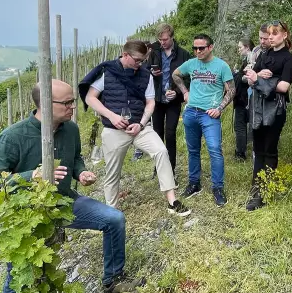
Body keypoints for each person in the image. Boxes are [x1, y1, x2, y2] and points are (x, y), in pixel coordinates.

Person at [0, 80, 146, 293]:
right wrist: (32, 176)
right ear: (45, 105)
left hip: (65, 202)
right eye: (66, 103)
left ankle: (113, 280)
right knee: (20, 275)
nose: (72, 107)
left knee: (114, 219)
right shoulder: (13, 137)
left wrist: (81, 173)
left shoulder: (71, 129)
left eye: (73, 102)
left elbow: (75, 159)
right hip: (27, 214)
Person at [79, 40, 190, 216]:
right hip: (114, 129)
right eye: (137, 60)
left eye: (142, 60)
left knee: (161, 151)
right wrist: (112, 117)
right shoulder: (107, 72)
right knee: (113, 170)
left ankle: (172, 201)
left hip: (140, 127)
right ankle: (112, 209)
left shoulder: (146, 75)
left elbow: (150, 102)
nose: (140, 64)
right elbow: (90, 98)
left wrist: (141, 123)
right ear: (125, 55)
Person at [173, 34, 235, 207]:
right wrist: (185, 91)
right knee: (193, 150)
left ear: (210, 47)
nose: (198, 51)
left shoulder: (222, 66)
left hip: (209, 115)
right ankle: (194, 183)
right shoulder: (191, 64)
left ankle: (217, 187)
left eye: (201, 48)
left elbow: (231, 90)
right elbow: (176, 74)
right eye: (195, 48)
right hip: (191, 112)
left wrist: (219, 109)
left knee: (215, 150)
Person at [245, 21, 292, 211]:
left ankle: (265, 191)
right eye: (269, 33)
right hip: (258, 106)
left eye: (275, 33)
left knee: (269, 148)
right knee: (258, 148)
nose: (271, 37)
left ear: (284, 35)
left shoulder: (288, 59)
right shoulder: (264, 54)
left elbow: (284, 87)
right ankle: (256, 189)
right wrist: (257, 75)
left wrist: (260, 78)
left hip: (276, 108)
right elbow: (250, 79)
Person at [145, 23, 191, 176]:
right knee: (157, 134)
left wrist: (178, 92)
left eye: (165, 39)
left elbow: (189, 78)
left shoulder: (183, 54)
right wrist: (152, 72)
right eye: (160, 39)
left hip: (173, 100)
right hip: (157, 99)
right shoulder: (154, 52)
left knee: (170, 133)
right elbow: (144, 70)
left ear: (172, 37)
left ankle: (170, 169)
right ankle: (158, 168)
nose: (162, 42)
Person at [233, 37, 254, 160]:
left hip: (244, 98)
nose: (239, 50)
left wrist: (239, 77)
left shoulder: (251, 60)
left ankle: (240, 153)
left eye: (240, 47)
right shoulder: (247, 60)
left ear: (247, 47)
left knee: (240, 125)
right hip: (245, 97)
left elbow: (249, 78)